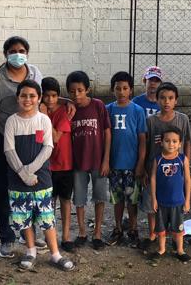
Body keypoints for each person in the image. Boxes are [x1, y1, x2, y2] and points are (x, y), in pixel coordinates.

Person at [0, 36, 43, 258]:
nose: (18, 54)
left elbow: (41, 103)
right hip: (1, 138)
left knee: (31, 186)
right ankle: (7, 238)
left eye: (22, 50)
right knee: (5, 188)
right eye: (13, 50)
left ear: (28, 52)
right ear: (5, 54)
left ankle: (31, 235)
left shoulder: (35, 73)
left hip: (30, 138)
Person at [4, 80, 74, 271]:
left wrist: (30, 171)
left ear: (39, 98)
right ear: (17, 98)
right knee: (23, 217)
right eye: (24, 95)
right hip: (18, 181)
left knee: (46, 217)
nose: (28, 99)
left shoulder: (44, 120)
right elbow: (9, 151)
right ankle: (31, 250)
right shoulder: (12, 121)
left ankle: (55, 254)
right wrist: (23, 173)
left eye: (32, 96)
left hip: (41, 179)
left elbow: (48, 148)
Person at [139, 82, 191, 250]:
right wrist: (145, 169)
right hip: (155, 169)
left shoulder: (182, 119)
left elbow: (188, 141)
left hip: (176, 170)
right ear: (157, 100)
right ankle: (153, 234)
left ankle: (176, 235)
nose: (166, 102)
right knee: (152, 204)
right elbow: (146, 146)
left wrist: (186, 163)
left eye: (170, 98)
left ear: (176, 100)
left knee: (176, 203)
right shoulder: (151, 121)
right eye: (162, 98)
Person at [67, 71, 111, 250]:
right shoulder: (69, 109)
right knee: (79, 198)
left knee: (100, 197)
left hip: (98, 161)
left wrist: (106, 159)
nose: (76, 95)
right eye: (72, 91)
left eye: (80, 90)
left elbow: (107, 132)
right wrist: (66, 101)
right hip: (77, 162)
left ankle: (98, 233)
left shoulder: (98, 105)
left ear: (88, 90)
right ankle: (82, 232)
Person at [105, 71, 146, 247]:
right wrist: (106, 161)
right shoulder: (108, 109)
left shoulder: (137, 110)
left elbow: (143, 140)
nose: (121, 92)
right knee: (117, 198)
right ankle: (118, 228)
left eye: (125, 88)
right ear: (112, 90)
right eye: (118, 88)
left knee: (132, 199)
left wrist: (140, 164)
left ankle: (133, 228)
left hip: (132, 165)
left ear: (130, 90)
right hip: (114, 165)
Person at [41, 77, 75, 252]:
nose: (50, 100)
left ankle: (66, 237)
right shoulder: (38, 112)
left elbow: (54, 138)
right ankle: (50, 237)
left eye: (54, 96)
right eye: (46, 96)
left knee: (65, 201)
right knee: (49, 203)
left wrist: (45, 114)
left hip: (65, 164)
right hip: (47, 165)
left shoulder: (63, 112)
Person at [150, 126, 191, 262]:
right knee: (161, 229)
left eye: (175, 141)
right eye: (167, 141)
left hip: (178, 202)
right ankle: (161, 249)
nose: (171, 144)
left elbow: (187, 180)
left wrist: (187, 200)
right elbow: (153, 179)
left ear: (180, 143)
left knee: (178, 230)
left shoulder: (182, 159)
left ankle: (180, 250)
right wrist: (154, 199)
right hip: (161, 202)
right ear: (161, 142)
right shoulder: (158, 159)